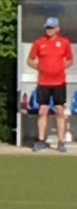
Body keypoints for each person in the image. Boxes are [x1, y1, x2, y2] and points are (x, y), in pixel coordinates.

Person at [27, 16, 74, 153]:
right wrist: (40, 68)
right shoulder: (39, 43)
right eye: (47, 27)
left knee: (60, 110)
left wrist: (60, 68)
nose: (49, 30)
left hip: (59, 82)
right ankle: (41, 140)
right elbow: (30, 60)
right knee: (43, 110)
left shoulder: (64, 42)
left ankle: (61, 142)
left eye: (52, 28)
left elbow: (70, 60)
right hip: (44, 82)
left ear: (57, 29)